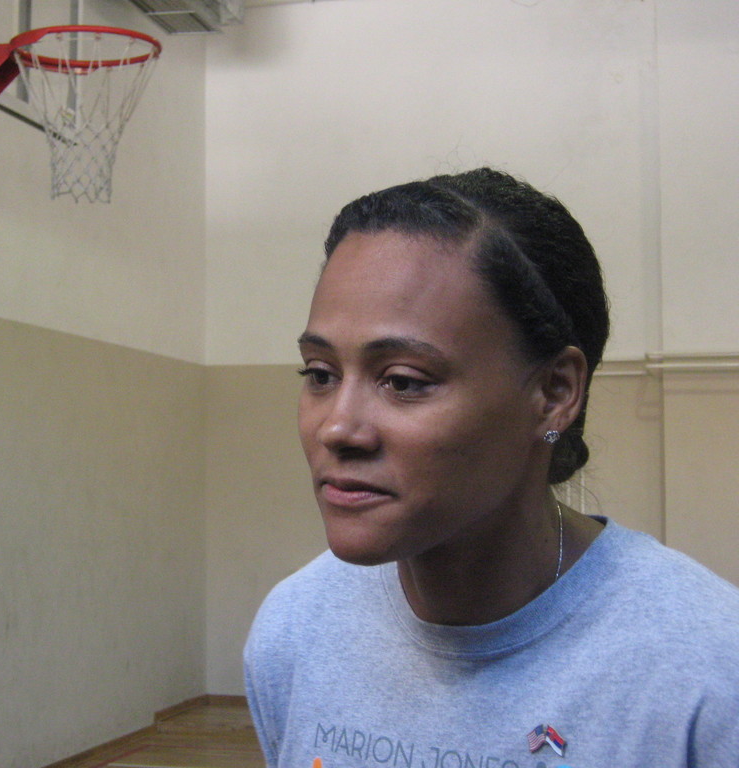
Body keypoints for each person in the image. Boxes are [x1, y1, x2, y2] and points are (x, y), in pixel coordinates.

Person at [243, 168, 739, 768]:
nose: (337, 429)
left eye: (403, 381)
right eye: (320, 374)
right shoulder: (296, 631)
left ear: (554, 392)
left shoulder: (705, 671)